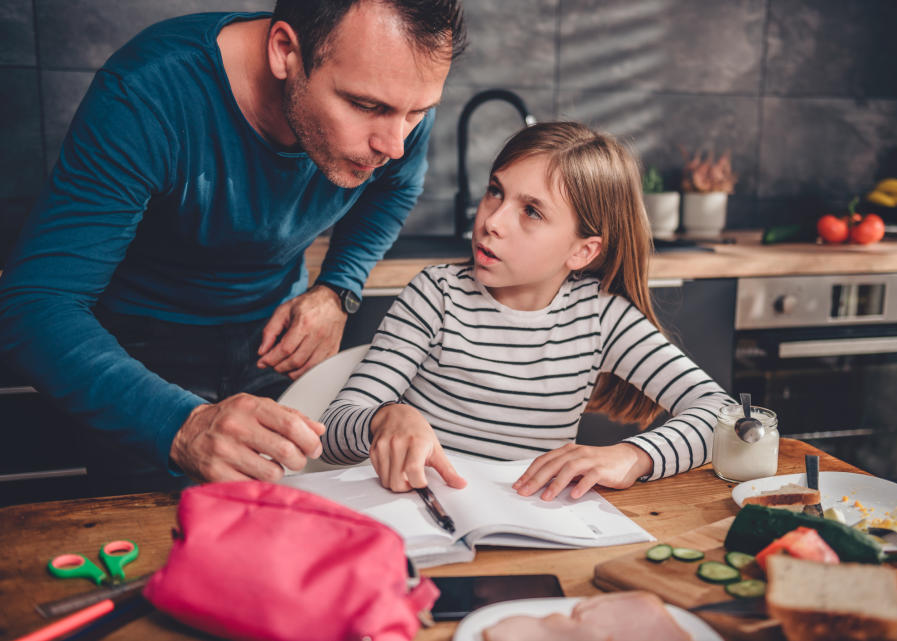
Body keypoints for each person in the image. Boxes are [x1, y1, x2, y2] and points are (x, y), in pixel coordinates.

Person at [0, 0, 466, 483]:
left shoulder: (395, 97)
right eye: (367, 107)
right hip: (140, 361)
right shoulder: (150, 93)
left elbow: (397, 188)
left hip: (277, 343)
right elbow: (34, 303)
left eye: (417, 113)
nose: (394, 145)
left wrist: (337, 290)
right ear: (285, 50)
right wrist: (181, 426)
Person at [319, 121, 737, 500]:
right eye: (495, 191)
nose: (492, 221)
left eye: (532, 211)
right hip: (425, 514)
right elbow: (336, 430)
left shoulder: (601, 319)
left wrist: (631, 457)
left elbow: (726, 417)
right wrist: (385, 418)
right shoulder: (437, 296)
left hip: (529, 528)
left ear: (582, 250)